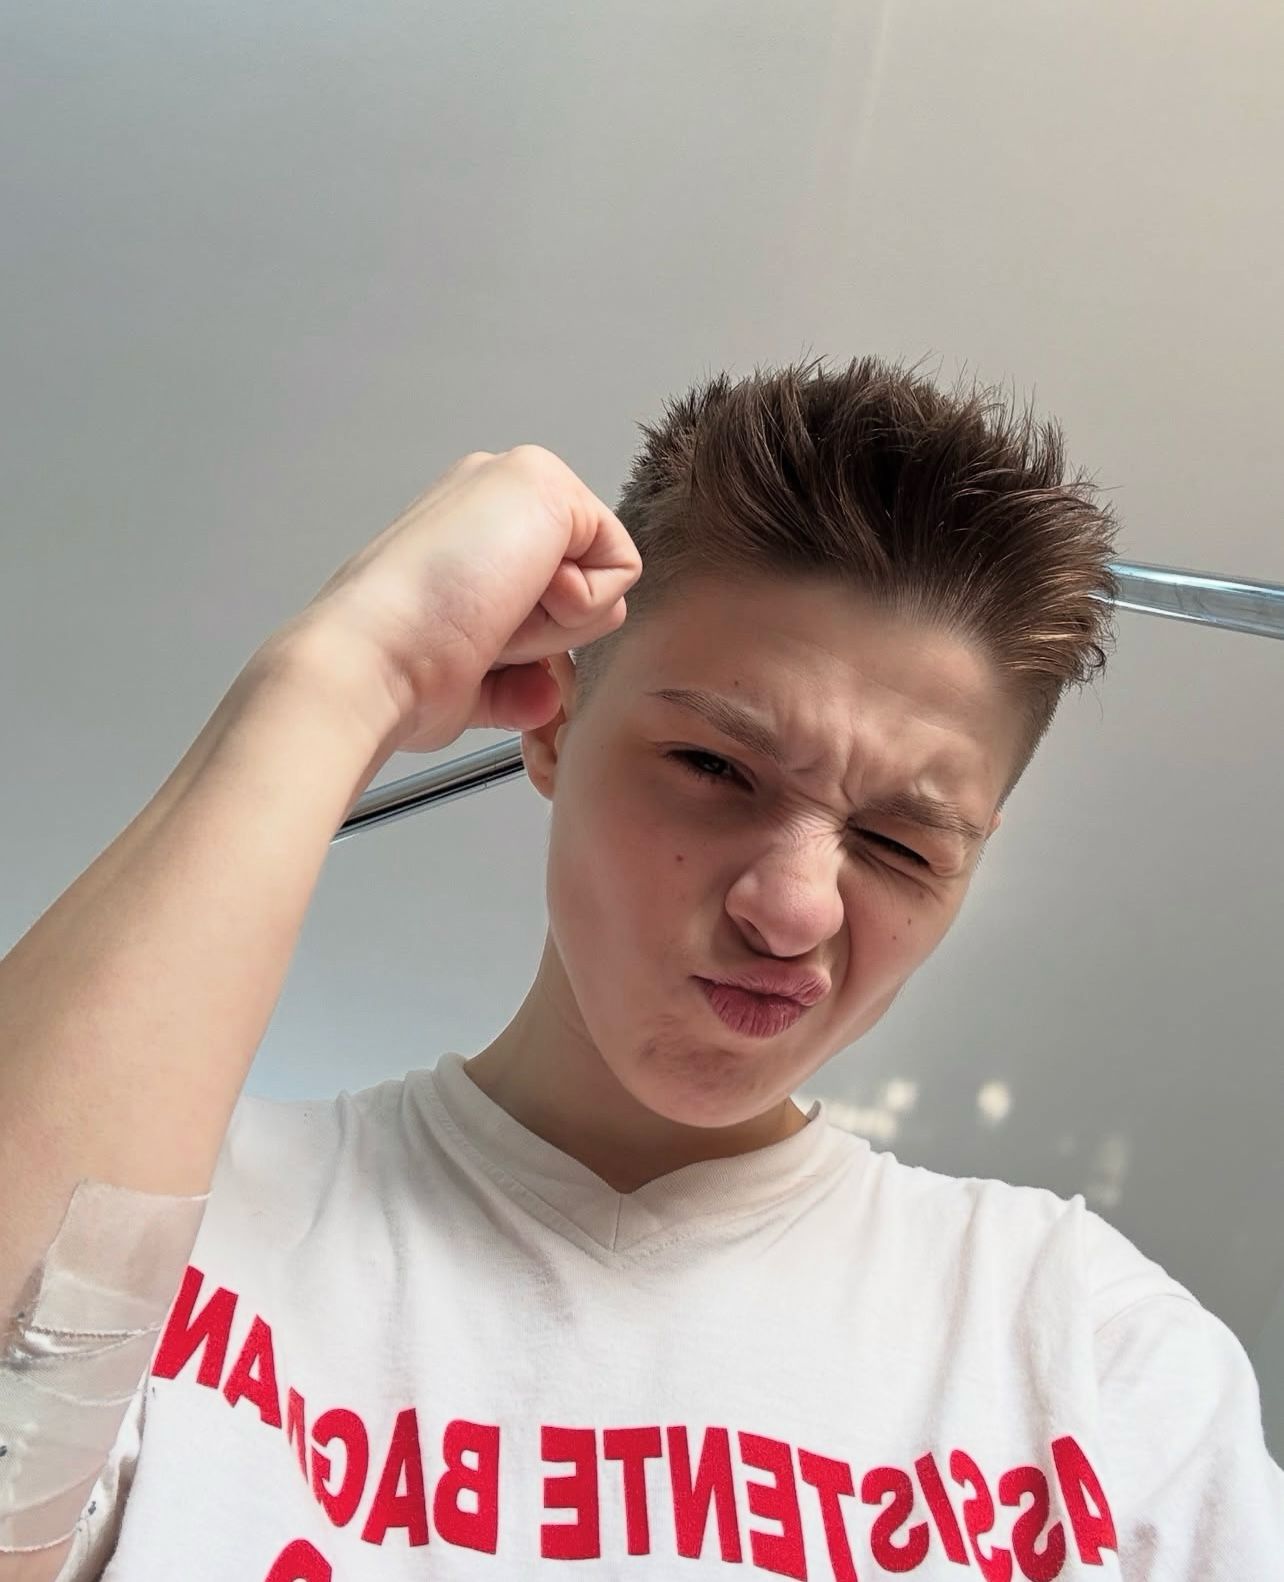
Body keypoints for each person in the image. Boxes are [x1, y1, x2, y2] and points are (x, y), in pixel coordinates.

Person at [1, 355, 1280, 1580]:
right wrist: (341, 673)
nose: (792, 910)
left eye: (900, 844)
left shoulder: (1089, 1357)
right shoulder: (192, 1225)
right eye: (713, 768)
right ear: (552, 723)